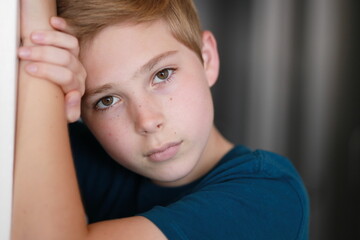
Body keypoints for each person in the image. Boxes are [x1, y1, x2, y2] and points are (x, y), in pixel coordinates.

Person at [13, 0, 310, 239]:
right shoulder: (88, 155)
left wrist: (37, 31)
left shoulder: (269, 195)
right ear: (80, 112)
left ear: (207, 58)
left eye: (162, 75)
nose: (147, 120)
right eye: (107, 100)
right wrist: (48, 89)